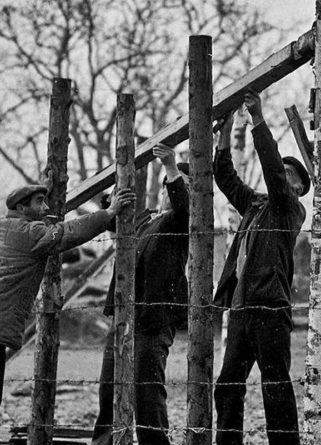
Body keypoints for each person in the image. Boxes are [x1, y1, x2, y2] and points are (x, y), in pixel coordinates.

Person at [0, 184, 134, 445]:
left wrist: (46, 184)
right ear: (21, 207)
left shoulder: (3, 226)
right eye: (40, 201)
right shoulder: (29, 234)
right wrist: (109, 214)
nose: (47, 207)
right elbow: (67, 233)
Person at [213, 91, 310, 445]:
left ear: (298, 187)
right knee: (228, 388)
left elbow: (270, 168)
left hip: (270, 309)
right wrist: (223, 133)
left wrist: (256, 118)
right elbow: (225, 177)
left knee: (276, 388)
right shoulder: (256, 205)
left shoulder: (291, 208)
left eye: (287, 175)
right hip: (241, 309)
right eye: (281, 173)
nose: (280, 178)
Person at [92, 145, 190, 445]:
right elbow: (114, 218)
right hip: (124, 315)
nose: (171, 192)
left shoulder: (182, 221)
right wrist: (108, 195)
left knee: (146, 392)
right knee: (109, 387)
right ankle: (104, 443)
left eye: (181, 188)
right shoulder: (147, 218)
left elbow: (185, 205)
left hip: (153, 320)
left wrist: (173, 168)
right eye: (171, 187)